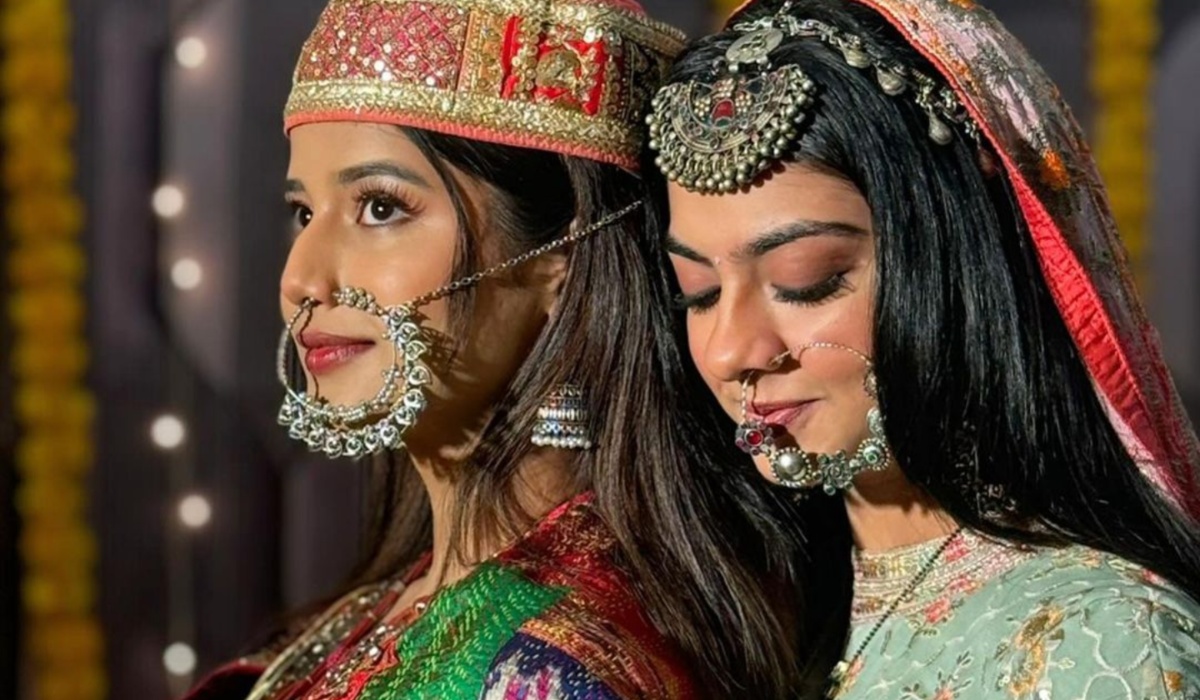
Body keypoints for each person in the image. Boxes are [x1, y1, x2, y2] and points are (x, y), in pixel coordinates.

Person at [185, 0, 810, 698]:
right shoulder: (374, 612)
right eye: (303, 213)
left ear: (559, 255)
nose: (301, 279)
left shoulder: (554, 668)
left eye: (380, 207)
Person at [646, 0, 1200, 697]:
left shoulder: (1102, 644)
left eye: (806, 281)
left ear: (955, 263)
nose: (732, 351)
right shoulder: (751, 612)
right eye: (698, 293)